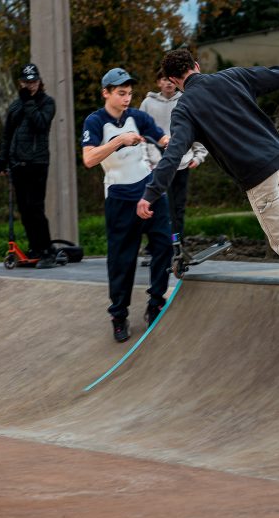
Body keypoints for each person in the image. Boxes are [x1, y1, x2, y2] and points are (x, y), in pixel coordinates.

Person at [136, 49, 279, 328]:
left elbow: (173, 155)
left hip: (257, 176)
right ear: (197, 66)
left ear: (174, 81)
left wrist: (150, 193)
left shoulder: (184, 109)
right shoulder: (231, 76)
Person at [81, 67, 171, 342]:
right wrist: (119, 141)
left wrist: (177, 141)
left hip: (149, 191)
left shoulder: (138, 117)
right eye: (121, 93)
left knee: (164, 245)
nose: (126, 98)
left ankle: (155, 302)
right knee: (122, 261)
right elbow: (89, 159)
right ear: (106, 93)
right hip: (120, 197)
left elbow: (162, 138)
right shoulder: (95, 122)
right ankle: (119, 315)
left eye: (130, 93)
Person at [0, 63, 58, 268]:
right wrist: (2, 160)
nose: (30, 86)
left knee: (35, 208)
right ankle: (35, 247)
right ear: (20, 83)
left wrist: (29, 102)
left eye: (33, 82)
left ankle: (47, 250)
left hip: (37, 162)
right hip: (18, 164)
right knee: (24, 209)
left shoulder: (47, 103)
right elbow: (7, 135)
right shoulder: (15, 106)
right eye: (26, 82)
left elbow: (41, 123)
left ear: (39, 82)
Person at [140, 69, 208, 236]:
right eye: (164, 79)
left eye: (171, 79)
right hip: (157, 165)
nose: (169, 83)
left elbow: (197, 128)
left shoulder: (185, 99)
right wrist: (145, 161)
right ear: (158, 83)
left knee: (178, 206)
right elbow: (141, 134)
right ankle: (156, 247)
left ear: (176, 81)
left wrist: (199, 156)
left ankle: (178, 245)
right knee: (158, 206)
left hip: (182, 163)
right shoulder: (148, 103)